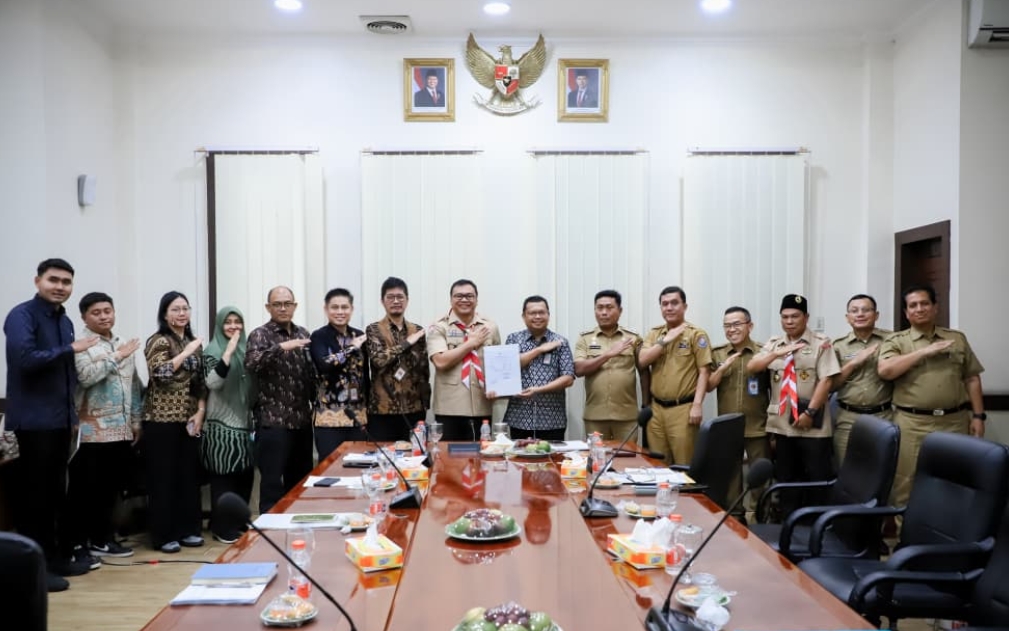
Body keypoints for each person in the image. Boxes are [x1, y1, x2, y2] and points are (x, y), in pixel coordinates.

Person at [4, 258, 99, 591]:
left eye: (66, 282)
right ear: (37, 281)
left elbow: (66, 373)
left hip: (60, 420)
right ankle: (34, 573)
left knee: (56, 495)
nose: (60, 287)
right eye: (53, 280)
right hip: (34, 420)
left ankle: (55, 559)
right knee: (35, 499)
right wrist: (69, 348)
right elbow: (24, 360)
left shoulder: (65, 320)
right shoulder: (21, 316)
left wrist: (72, 417)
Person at [877, 284, 985, 511]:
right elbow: (886, 371)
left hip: (955, 422)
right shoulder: (897, 341)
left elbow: (972, 378)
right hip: (912, 424)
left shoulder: (956, 339)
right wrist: (924, 351)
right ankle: (904, 532)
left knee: (955, 480)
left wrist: (978, 416)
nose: (919, 309)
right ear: (906, 313)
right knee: (907, 482)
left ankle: (949, 531)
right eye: (913, 305)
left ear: (935, 307)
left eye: (925, 303)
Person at [66, 292, 142, 563]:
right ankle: (77, 543)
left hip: (120, 430)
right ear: (84, 316)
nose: (103, 316)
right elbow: (86, 377)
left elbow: (134, 384)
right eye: (96, 312)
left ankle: (102, 540)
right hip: (90, 433)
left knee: (111, 490)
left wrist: (136, 419)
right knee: (85, 491)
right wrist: (117, 356)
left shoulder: (123, 342)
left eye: (107, 311)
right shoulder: (82, 345)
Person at [747, 294, 839, 518]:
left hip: (813, 426)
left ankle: (816, 526)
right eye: (785, 317)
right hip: (782, 426)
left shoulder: (821, 343)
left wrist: (810, 412)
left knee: (817, 480)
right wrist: (775, 354)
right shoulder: (774, 343)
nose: (789, 321)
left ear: (806, 317)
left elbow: (826, 381)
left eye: (795, 316)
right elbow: (752, 367)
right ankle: (789, 525)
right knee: (787, 480)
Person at [141, 291, 207, 554]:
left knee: (188, 477)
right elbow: (160, 374)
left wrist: (200, 411)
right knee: (163, 478)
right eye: (175, 309)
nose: (181, 314)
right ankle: (163, 535)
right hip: (160, 420)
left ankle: (188, 530)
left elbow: (200, 383)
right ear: (165, 314)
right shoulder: (158, 340)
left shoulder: (193, 341)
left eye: (185, 308)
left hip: (188, 419)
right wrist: (186, 352)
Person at [245, 286, 316, 513]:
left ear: (295, 306)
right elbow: (252, 363)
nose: (283, 308)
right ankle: (269, 531)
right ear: (268, 307)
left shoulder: (303, 333)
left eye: (287, 304)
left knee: (300, 485)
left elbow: (310, 374)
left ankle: (298, 529)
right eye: (277, 304)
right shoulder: (259, 334)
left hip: (301, 421)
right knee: (272, 486)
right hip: (273, 422)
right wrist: (280, 347)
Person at [706, 306, 769, 522]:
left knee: (759, 478)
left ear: (750, 326)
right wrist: (722, 368)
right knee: (731, 478)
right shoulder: (717, 353)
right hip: (728, 427)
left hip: (757, 425)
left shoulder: (763, 352)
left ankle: (760, 520)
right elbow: (708, 386)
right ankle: (734, 519)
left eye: (736, 324)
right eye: (727, 325)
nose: (731, 329)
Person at [637, 286, 712, 465]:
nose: (669, 308)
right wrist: (665, 340)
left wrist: (697, 405)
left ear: (684, 306)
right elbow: (642, 361)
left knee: (684, 465)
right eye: (665, 304)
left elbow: (704, 372)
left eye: (674, 303)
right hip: (656, 410)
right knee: (658, 465)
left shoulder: (696, 334)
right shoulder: (655, 334)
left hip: (683, 410)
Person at [202, 306, 254, 544]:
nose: (233, 326)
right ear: (219, 325)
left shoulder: (246, 350)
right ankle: (222, 528)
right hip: (220, 427)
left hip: (244, 425)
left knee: (244, 475)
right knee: (224, 478)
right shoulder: (213, 351)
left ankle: (237, 522)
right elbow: (213, 383)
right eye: (228, 322)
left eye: (237, 321)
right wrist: (228, 354)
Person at [427, 279, 501, 441]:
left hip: (482, 407)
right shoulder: (439, 327)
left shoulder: (490, 327)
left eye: (469, 296)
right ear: (451, 299)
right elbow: (440, 361)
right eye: (459, 296)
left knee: (481, 453)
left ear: (476, 299)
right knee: (448, 455)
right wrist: (470, 344)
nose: (464, 300)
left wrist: (498, 388)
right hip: (449, 409)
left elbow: (497, 364)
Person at [573, 289, 650, 440]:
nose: (604, 312)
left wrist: (646, 404)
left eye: (609, 307)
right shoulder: (585, 338)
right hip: (595, 416)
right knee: (596, 454)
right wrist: (608, 354)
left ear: (620, 311)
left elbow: (644, 372)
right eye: (599, 308)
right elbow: (579, 369)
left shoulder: (633, 338)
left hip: (627, 416)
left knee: (627, 454)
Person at [499, 296, 575, 441]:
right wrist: (539, 350)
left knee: (552, 455)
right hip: (519, 416)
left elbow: (568, 378)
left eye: (542, 312)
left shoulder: (560, 342)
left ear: (548, 315)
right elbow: (507, 368)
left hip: (552, 419)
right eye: (532, 313)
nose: (538, 316)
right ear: (524, 316)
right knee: (519, 455)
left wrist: (538, 390)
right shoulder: (513, 339)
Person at [366, 277, 430, 441]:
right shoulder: (374, 329)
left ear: (407, 300)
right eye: (390, 297)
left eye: (400, 297)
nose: (396, 301)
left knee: (415, 454)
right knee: (383, 454)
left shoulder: (417, 330)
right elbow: (378, 360)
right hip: (382, 409)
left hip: (414, 408)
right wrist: (407, 343)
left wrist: (425, 404)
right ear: (382, 301)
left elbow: (424, 370)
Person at [831, 294, 893, 464]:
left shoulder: (891, 340)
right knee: (847, 468)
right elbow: (832, 386)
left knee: (884, 468)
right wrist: (853, 363)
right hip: (848, 418)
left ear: (876, 315)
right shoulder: (838, 346)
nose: (860, 314)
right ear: (847, 317)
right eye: (854, 311)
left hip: (884, 416)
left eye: (866, 310)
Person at [310, 288, 369, 460]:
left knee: (359, 466)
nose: (340, 312)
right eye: (335, 307)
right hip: (329, 419)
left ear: (352, 309)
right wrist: (351, 348)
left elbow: (365, 375)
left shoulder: (359, 335)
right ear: (326, 309)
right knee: (330, 468)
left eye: (345, 307)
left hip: (358, 416)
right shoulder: (319, 336)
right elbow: (324, 365)